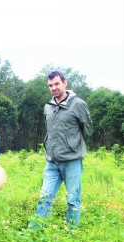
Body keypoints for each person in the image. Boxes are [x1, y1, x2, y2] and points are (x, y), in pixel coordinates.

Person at [33, 70, 93, 229]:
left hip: (72, 161)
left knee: (73, 199)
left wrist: (72, 145)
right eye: (50, 85)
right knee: (45, 197)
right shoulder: (48, 106)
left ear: (65, 83)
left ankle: (71, 232)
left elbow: (87, 130)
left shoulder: (78, 104)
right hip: (51, 161)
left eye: (57, 84)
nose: (54, 88)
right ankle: (34, 232)